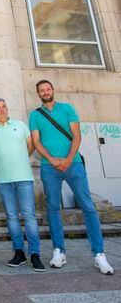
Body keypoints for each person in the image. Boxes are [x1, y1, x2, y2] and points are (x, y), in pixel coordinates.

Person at [29, 79, 114, 275]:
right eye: (42, 90)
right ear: (38, 94)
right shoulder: (35, 115)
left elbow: (76, 135)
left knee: (88, 206)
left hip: (73, 164)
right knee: (52, 208)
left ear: (52, 90)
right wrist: (51, 159)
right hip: (49, 166)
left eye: (48, 89)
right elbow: (36, 141)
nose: (45, 92)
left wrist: (68, 159)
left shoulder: (67, 108)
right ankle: (59, 250)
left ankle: (99, 254)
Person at [0, 98, 45, 272]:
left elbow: (30, 147)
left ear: (7, 109)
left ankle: (35, 254)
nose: (1, 110)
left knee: (29, 216)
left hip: (24, 177)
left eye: (3, 107)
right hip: (3, 180)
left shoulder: (21, 125)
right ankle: (19, 252)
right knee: (11, 216)